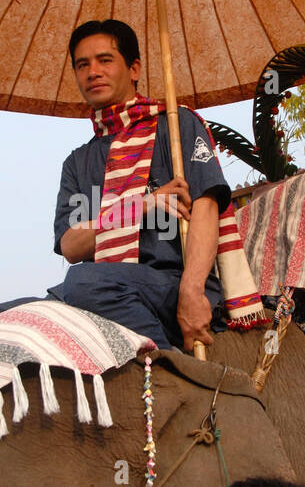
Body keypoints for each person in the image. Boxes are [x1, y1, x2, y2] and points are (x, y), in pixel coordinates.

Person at [48, 18, 264, 350]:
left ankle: (169, 368)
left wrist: (191, 293)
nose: (93, 71)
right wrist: (140, 207)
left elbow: (206, 209)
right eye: (82, 65)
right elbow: (71, 246)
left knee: (81, 283)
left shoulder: (176, 126)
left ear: (134, 69)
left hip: (171, 284)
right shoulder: (77, 163)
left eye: (105, 60)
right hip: (105, 288)